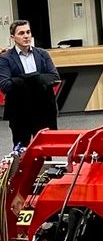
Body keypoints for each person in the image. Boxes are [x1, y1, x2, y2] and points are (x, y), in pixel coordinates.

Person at [0, 20, 60, 148]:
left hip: (44, 110)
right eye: (21, 33)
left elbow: (54, 77)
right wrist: (36, 79)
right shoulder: (5, 59)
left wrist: (21, 79)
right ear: (12, 37)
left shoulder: (42, 54)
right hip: (20, 112)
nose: (26, 36)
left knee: (46, 149)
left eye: (28, 32)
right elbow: (5, 85)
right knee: (22, 151)